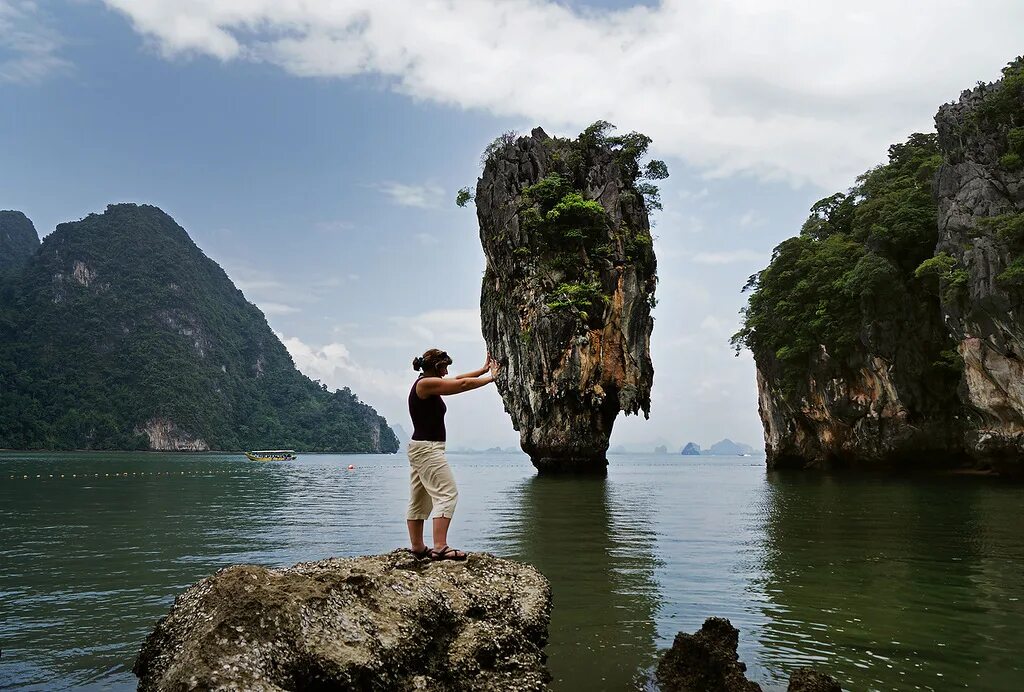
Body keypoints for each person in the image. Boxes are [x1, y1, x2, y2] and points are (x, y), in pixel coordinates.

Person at [406, 348, 499, 561]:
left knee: (419, 498)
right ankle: (440, 547)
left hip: (421, 448)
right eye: (444, 368)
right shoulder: (425, 384)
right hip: (428, 449)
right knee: (447, 494)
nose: (447, 373)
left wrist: (482, 370)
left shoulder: (426, 381)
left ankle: (418, 548)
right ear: (436, 367)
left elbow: (458, 378)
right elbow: (461, 385)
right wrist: (491, 378)